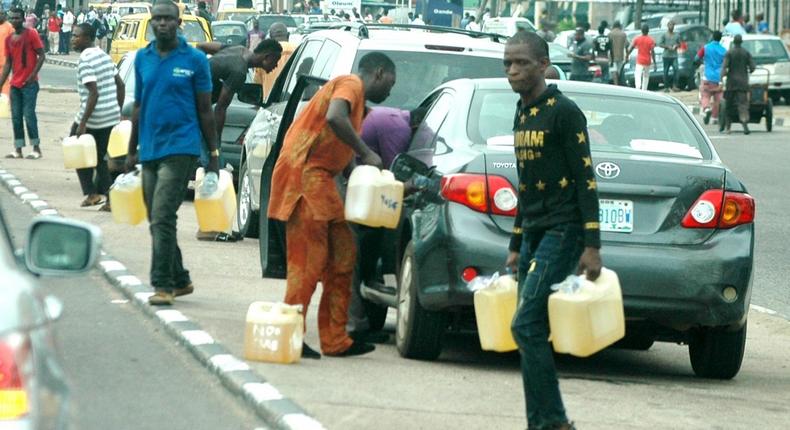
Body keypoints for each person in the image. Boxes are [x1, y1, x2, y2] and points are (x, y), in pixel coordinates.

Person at [267, 52, 396, 358]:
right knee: (307, 262)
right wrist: (366, 152)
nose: (391, 91)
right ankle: (291, 336)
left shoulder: (360, 107)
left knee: (343, 255)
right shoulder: (350, 84)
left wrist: (367, 177)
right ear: (378, 73)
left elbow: (343, 149)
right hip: (304, 177)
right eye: (390, 83)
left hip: (322, 182)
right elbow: (334, 117)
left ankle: (336, 339)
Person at [503, 30, 601, 430]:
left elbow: (586, 180)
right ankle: (539, 422)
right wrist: (515, 241)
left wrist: (592, 245)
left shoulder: (564, 112)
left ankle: (555, 422)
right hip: (534, 232)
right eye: (507, 63)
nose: (513, 71)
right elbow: (526, 184)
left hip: (564, 231)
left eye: (521, 63)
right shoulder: (522, 111)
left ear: (543, 64)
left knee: (524, 325)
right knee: (532, 330)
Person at [125, 1, 219, 306]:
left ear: (179, 23)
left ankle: (163, 285)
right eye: (158, 19)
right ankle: (180, 278)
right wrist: (130, 151)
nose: (162, 24)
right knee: (156, 218)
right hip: (149, 147)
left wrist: (214, 154)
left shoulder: (194, 60)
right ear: (152, 23)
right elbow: (139, 106)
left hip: (182, 147)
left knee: (164, 214)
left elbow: (206, 110)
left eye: (168, 19)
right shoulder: (143, 58)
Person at [347, 105, 425, 342]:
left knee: (363, 257)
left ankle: (361, 324)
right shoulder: (398, 128)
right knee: (357, 257)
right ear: (417, 128)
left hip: (361, 190)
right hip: (361, 194)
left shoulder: (393, 117)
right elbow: (394, 179)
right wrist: (414, 186)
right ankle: (355, 326)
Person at [70, 22, 124, 210]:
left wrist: (83, 122)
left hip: (93, 117)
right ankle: (109, 198)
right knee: (99, 158)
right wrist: (117, 110)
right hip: (109, 116)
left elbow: (93, 93)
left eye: (76, 36)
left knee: (76, 148)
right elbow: (121, 85)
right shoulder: (104, 55)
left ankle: (92, 194)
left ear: (87, 38)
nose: (72, 39)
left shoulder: (85, 60)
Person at [0, 7, 45, 159]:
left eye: (17, 18)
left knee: (29, 115)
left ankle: (36, 149)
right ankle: (18, 149)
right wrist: (1, 83)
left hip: (30, 84)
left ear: (23, 18)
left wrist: (33, 75)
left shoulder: (31, 34)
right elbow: (8, 64)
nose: (14, 21)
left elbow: (42, 55)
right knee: (16, 117)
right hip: (15, 84)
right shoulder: (9, 39)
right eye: (12, 18)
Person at [721, 34, 755, 135]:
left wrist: (721, 77)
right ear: (741, 42)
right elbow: (753, 67)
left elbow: (724, 67)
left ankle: (728, 128)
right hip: (743, 83)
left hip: (731, 83)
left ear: (734, 42)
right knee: (743, 105)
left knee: (729, 105)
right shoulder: (746, 53)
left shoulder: (729, 53)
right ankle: (744, 123)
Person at [257, 22, 295, 100]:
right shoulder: (298, 50)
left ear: (270, 37)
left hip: (270, 105)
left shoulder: (263, 55)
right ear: (288, 35)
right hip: (293, 105)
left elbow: (257, 87)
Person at [695, 31, 726, 125]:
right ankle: (715, 117)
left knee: (705, 95)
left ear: (712, 37)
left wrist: (701, 62)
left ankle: (707, 108)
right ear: (720, 39)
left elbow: (696, 58)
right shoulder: (724, 50)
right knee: (718, 98)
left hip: (707, 77)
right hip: (719, 78)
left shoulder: (706, 48)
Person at [627, 24, 656, 90]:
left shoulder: (637, 39)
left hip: (640, 60)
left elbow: (630, 48)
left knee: (638, 74)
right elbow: (652, 51)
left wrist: (627, 54)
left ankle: (638, 87)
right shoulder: (651, 40)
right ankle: (644, 89)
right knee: (646, 75)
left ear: (641, 31)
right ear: (648, 31)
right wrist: (654, 62)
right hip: (647, 60)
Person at [658, 21, 681, 91]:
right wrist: (667, 47)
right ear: (667, 26)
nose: (671, 27)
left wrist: (676, 45)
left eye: (673, 25)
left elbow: (680, 44)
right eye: (670, 25)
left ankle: (674, 86)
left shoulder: (677, 35)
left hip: (674, 56)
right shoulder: (664, 35)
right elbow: (660, 44)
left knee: (676, 70)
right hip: (666, 55)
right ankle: (666, 87)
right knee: (665, 71)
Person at [608, 21, 627, 86]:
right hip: (620, 56)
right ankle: (617, 84)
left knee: (613, 71)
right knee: (618, 72)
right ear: (620, 26)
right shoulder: (623, 34)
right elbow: (627, 45)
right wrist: (627, 55)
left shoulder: (610, 34)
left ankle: (615, 85)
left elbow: (607, 45)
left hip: (612, 56)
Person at [0, 11, 13, 97]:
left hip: (4, 60)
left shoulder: (9, 27)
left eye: (2, 14)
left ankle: (4, 99)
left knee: (4, 80)